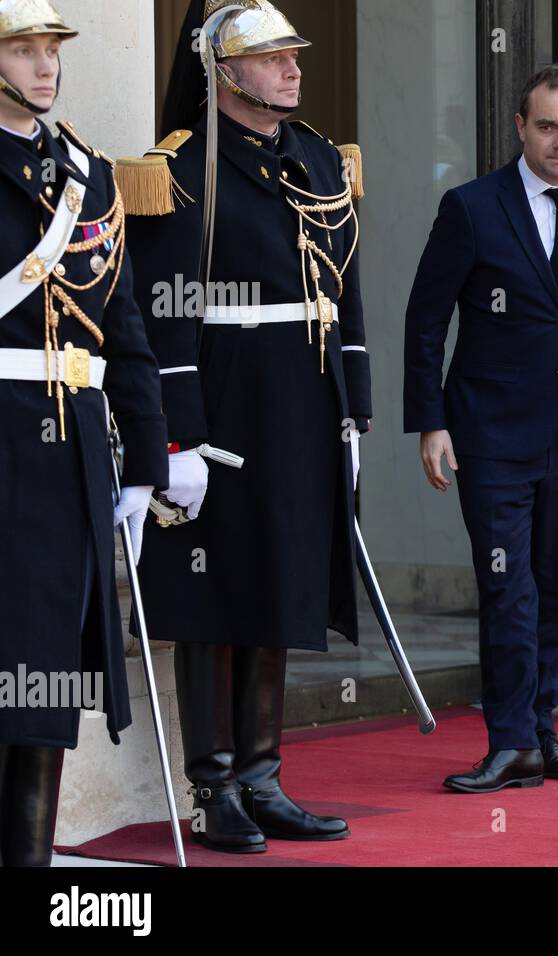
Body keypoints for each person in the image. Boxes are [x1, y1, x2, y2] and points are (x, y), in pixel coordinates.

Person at [120, 0, 369, 852]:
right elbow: (164, 310)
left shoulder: (318, 160)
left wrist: (355, 405)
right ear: (223, 73)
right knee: (214, 593)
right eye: (272, 58)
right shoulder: (181, 167)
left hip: (303, 400)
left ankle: (263, 775)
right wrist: (177, 438)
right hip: (224, 404)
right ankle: (212, 783)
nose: (294, 68)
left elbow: (345, 290)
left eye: (293, 54)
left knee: (281, 582)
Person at [405, 64, 558, 793]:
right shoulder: (472, 207)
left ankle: (541, 728)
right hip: (490, 431)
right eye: (546, 127)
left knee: (555, 586)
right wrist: (430, 422)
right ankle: (509, 741)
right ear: (520, 127)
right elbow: (425, 319)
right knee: (508, 587)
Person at [0, 0, 167, 865]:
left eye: (50, 49)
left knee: (48, 682)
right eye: (23, 50)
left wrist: (145, 459)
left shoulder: (89, 176)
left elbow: (125, 326)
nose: (45, 66)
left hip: (72, 454)